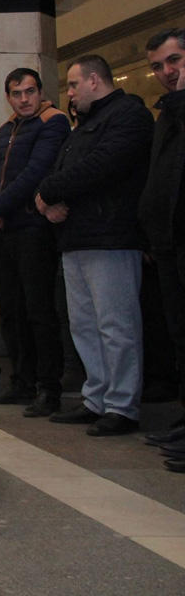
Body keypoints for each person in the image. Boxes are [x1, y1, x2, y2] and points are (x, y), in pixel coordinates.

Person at [36, 55, 154, 436]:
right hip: (77, 238)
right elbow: (60, 169)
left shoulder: (127, 115)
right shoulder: (85, 126)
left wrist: (48, 192)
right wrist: (48, 198)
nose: (68, 94)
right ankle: (97, 397)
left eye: (72, 85)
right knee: (85, 325)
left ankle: (122, 405)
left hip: (111, 235)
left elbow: (102, 166)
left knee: (115, 325)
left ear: (93, 81)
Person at [0, 67, 71, 409]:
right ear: (8, 97)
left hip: (32, 226)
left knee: (38, 309)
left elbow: (37, 170)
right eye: (16, 94)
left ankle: (49, 387)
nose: (24, 99)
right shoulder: (7, 128)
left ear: (40, 91)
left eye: (29, 92)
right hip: (5, 227)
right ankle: (21, 380)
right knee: (11, 308)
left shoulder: (53, 121)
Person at [139, 30, 185, 463]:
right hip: (169, 241)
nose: (167, 73)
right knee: (178, 333)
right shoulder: (168, 112)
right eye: (158, 66)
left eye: (174, 61)